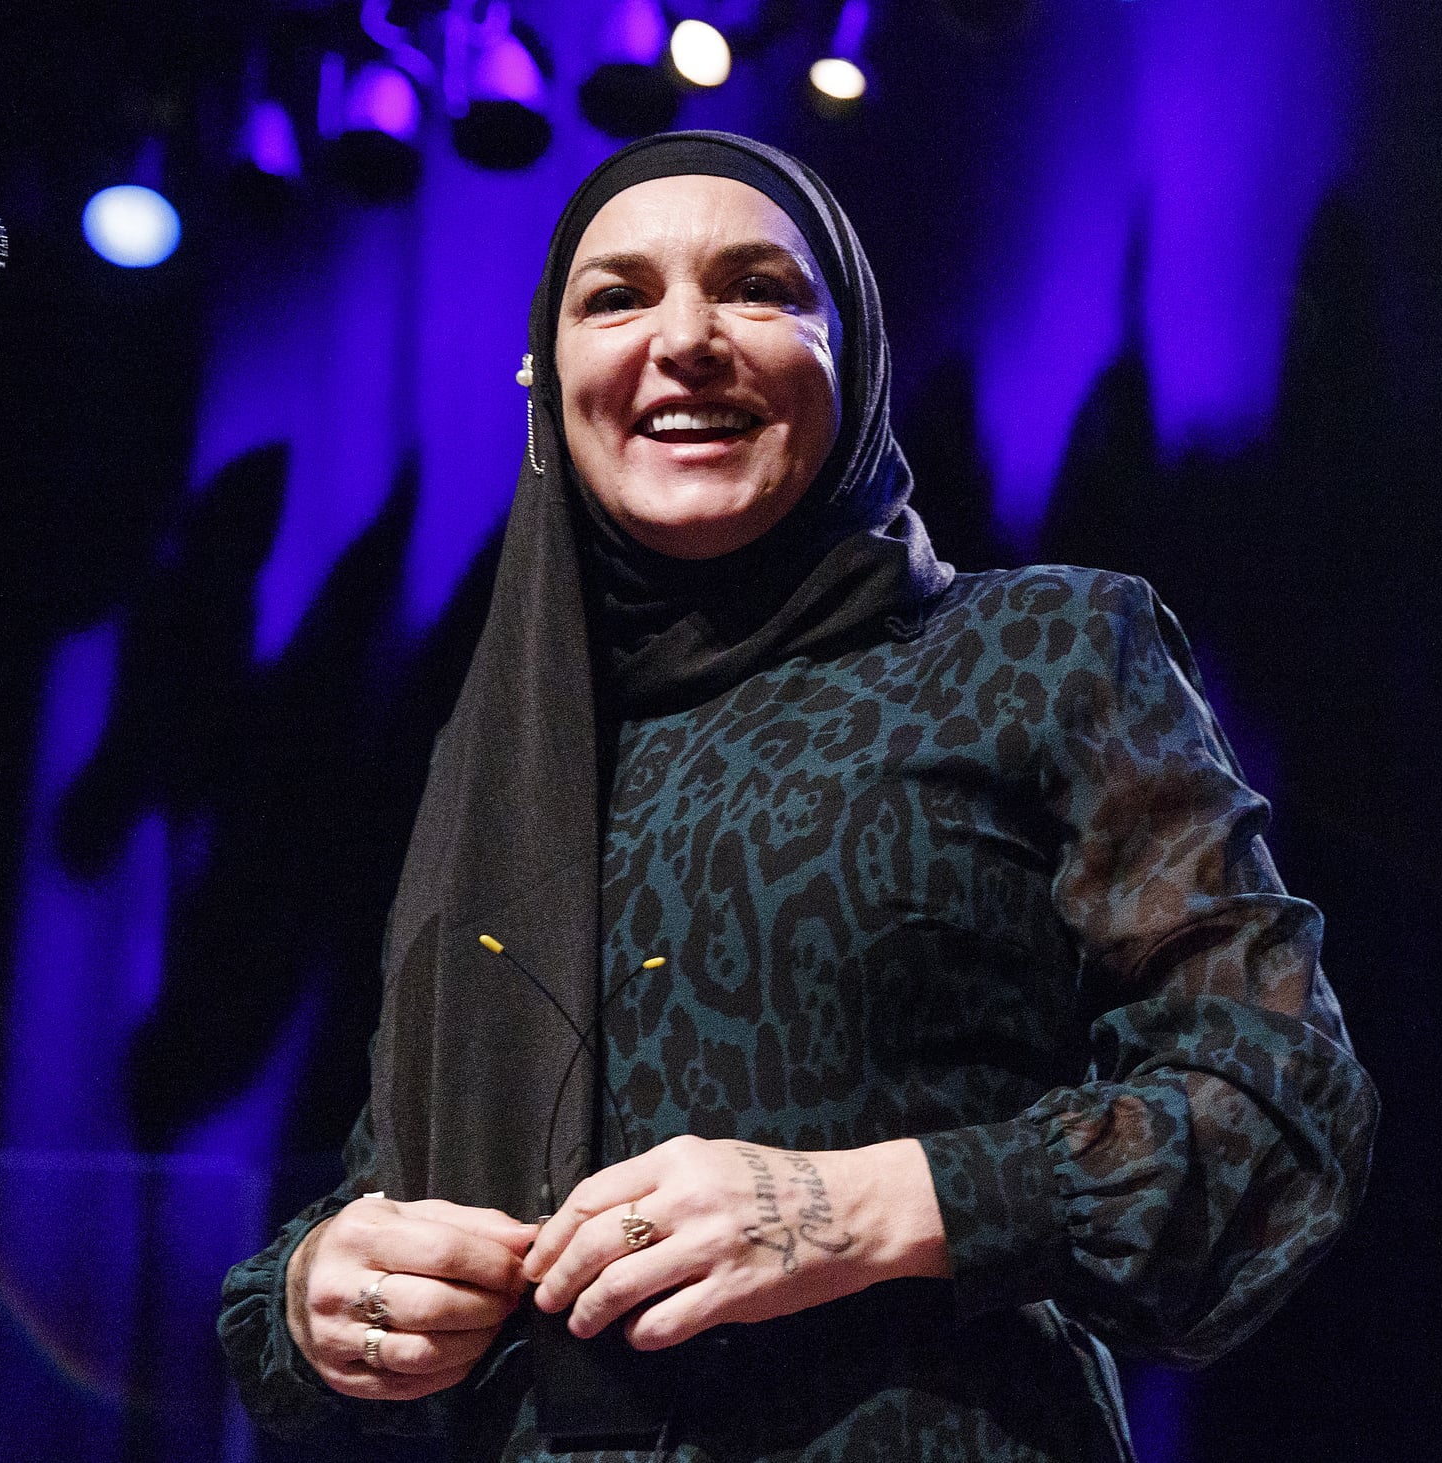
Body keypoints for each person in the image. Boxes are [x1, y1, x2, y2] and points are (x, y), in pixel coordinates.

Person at [219, 131, 1377, 1462]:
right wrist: (322, 1294)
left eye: (759, 286)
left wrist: (862, 1208)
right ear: (550, 380)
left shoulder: (1045, 650)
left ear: (859, 355)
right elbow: (400, 1185)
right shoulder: (503, 746)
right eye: (618, 295)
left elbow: (1274, 1100)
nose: (688, 338)